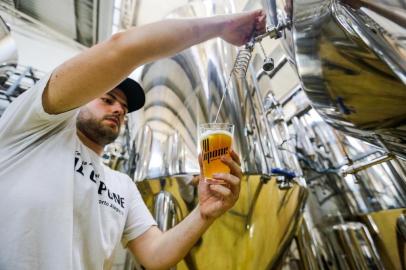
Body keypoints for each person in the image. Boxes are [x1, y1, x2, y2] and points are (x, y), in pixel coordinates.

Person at [0, 10, 266, 270]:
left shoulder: (122, 185)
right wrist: (223, 26)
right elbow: (123, 48)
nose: (118, 110)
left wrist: (204, 213)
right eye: (107, 99)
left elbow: (155, 256)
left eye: (124, 109)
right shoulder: (33, 128)